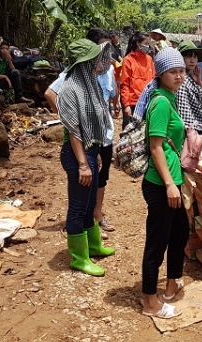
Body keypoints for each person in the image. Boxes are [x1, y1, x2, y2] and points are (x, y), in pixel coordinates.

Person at [136, 48, 189, 319]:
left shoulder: (170, 97)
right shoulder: (161, 103)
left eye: (181, 70)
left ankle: (171, 283)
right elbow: (155, 146)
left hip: (171, 180)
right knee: (157, 243)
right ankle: (150, 302)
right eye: (173, 71)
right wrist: (169, 184)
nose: (179, 75)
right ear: (161, 74)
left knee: (180, 232)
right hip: (160, 183)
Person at [57, 39, 116, 276]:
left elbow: (93, 123)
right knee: (79, 207)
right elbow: (74, 131)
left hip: (89, 150)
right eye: (94, 61)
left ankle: (93, 246)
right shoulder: (71, 88)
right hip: (76, 154)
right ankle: (79, 257)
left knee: (91, 204)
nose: (99, 64)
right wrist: (83, 164)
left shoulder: (88, 83)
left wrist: (96, 155)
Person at [85, 28, 118, 237]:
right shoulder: (82, 71)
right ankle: (87, 221)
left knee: (102, 177)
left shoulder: (109, 70)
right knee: (88, 177)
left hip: (105, 132)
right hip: (88, 132)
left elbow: (112, 92)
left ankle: (98, 214)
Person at [174, 40, 202, 136]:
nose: (192, 60)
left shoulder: (192, 76)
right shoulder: (180, 80)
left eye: (195, 56)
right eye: (188, 56)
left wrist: (199, 82)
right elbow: (183, 110)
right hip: (191, 129)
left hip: (201, 126)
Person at [120, 32, 156, 129]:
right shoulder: (128, 60)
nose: (148, 46)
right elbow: (124, 84)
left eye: (148, 44)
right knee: (132, 132)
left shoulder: (149, 59)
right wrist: (126, 105)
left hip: (149, 102)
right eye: (146, 43)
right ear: (138, 43)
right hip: (134, 104)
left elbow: (153, 80)